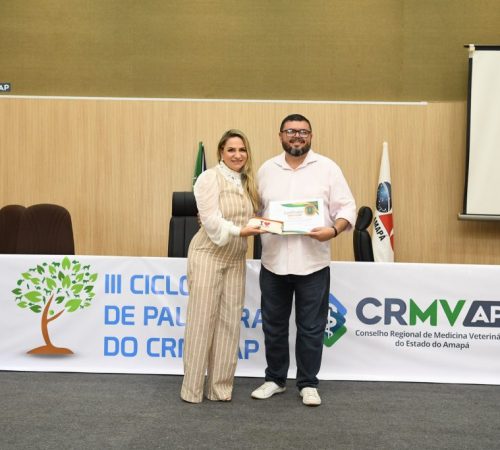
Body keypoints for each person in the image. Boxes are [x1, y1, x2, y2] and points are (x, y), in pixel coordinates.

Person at [251, 114, 356, 406]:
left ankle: (308, 383)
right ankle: (275, 379)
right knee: (273, 325)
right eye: (291, 131)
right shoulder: (266, 170)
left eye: (303, 132)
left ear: (310, 136)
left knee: (311, 327)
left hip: (313, 263)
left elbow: (347, 208)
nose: (297, 136)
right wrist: (260, 222)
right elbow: (255, 211)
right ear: (280, 135)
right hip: (273, 262)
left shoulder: (328, 168)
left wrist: (333, 231)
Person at [181, 129, 263, 403]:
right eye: (231, 150)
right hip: (208, 254)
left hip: (235, 258)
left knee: (229, 323)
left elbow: (259, 216)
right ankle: (192, 390)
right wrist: (241, 231)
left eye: (242, 150)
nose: (237, 155)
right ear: (221, 153)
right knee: (201, 322)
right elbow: (210, 220)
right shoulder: (209, 178)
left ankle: (220, 389)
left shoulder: (248, 182)